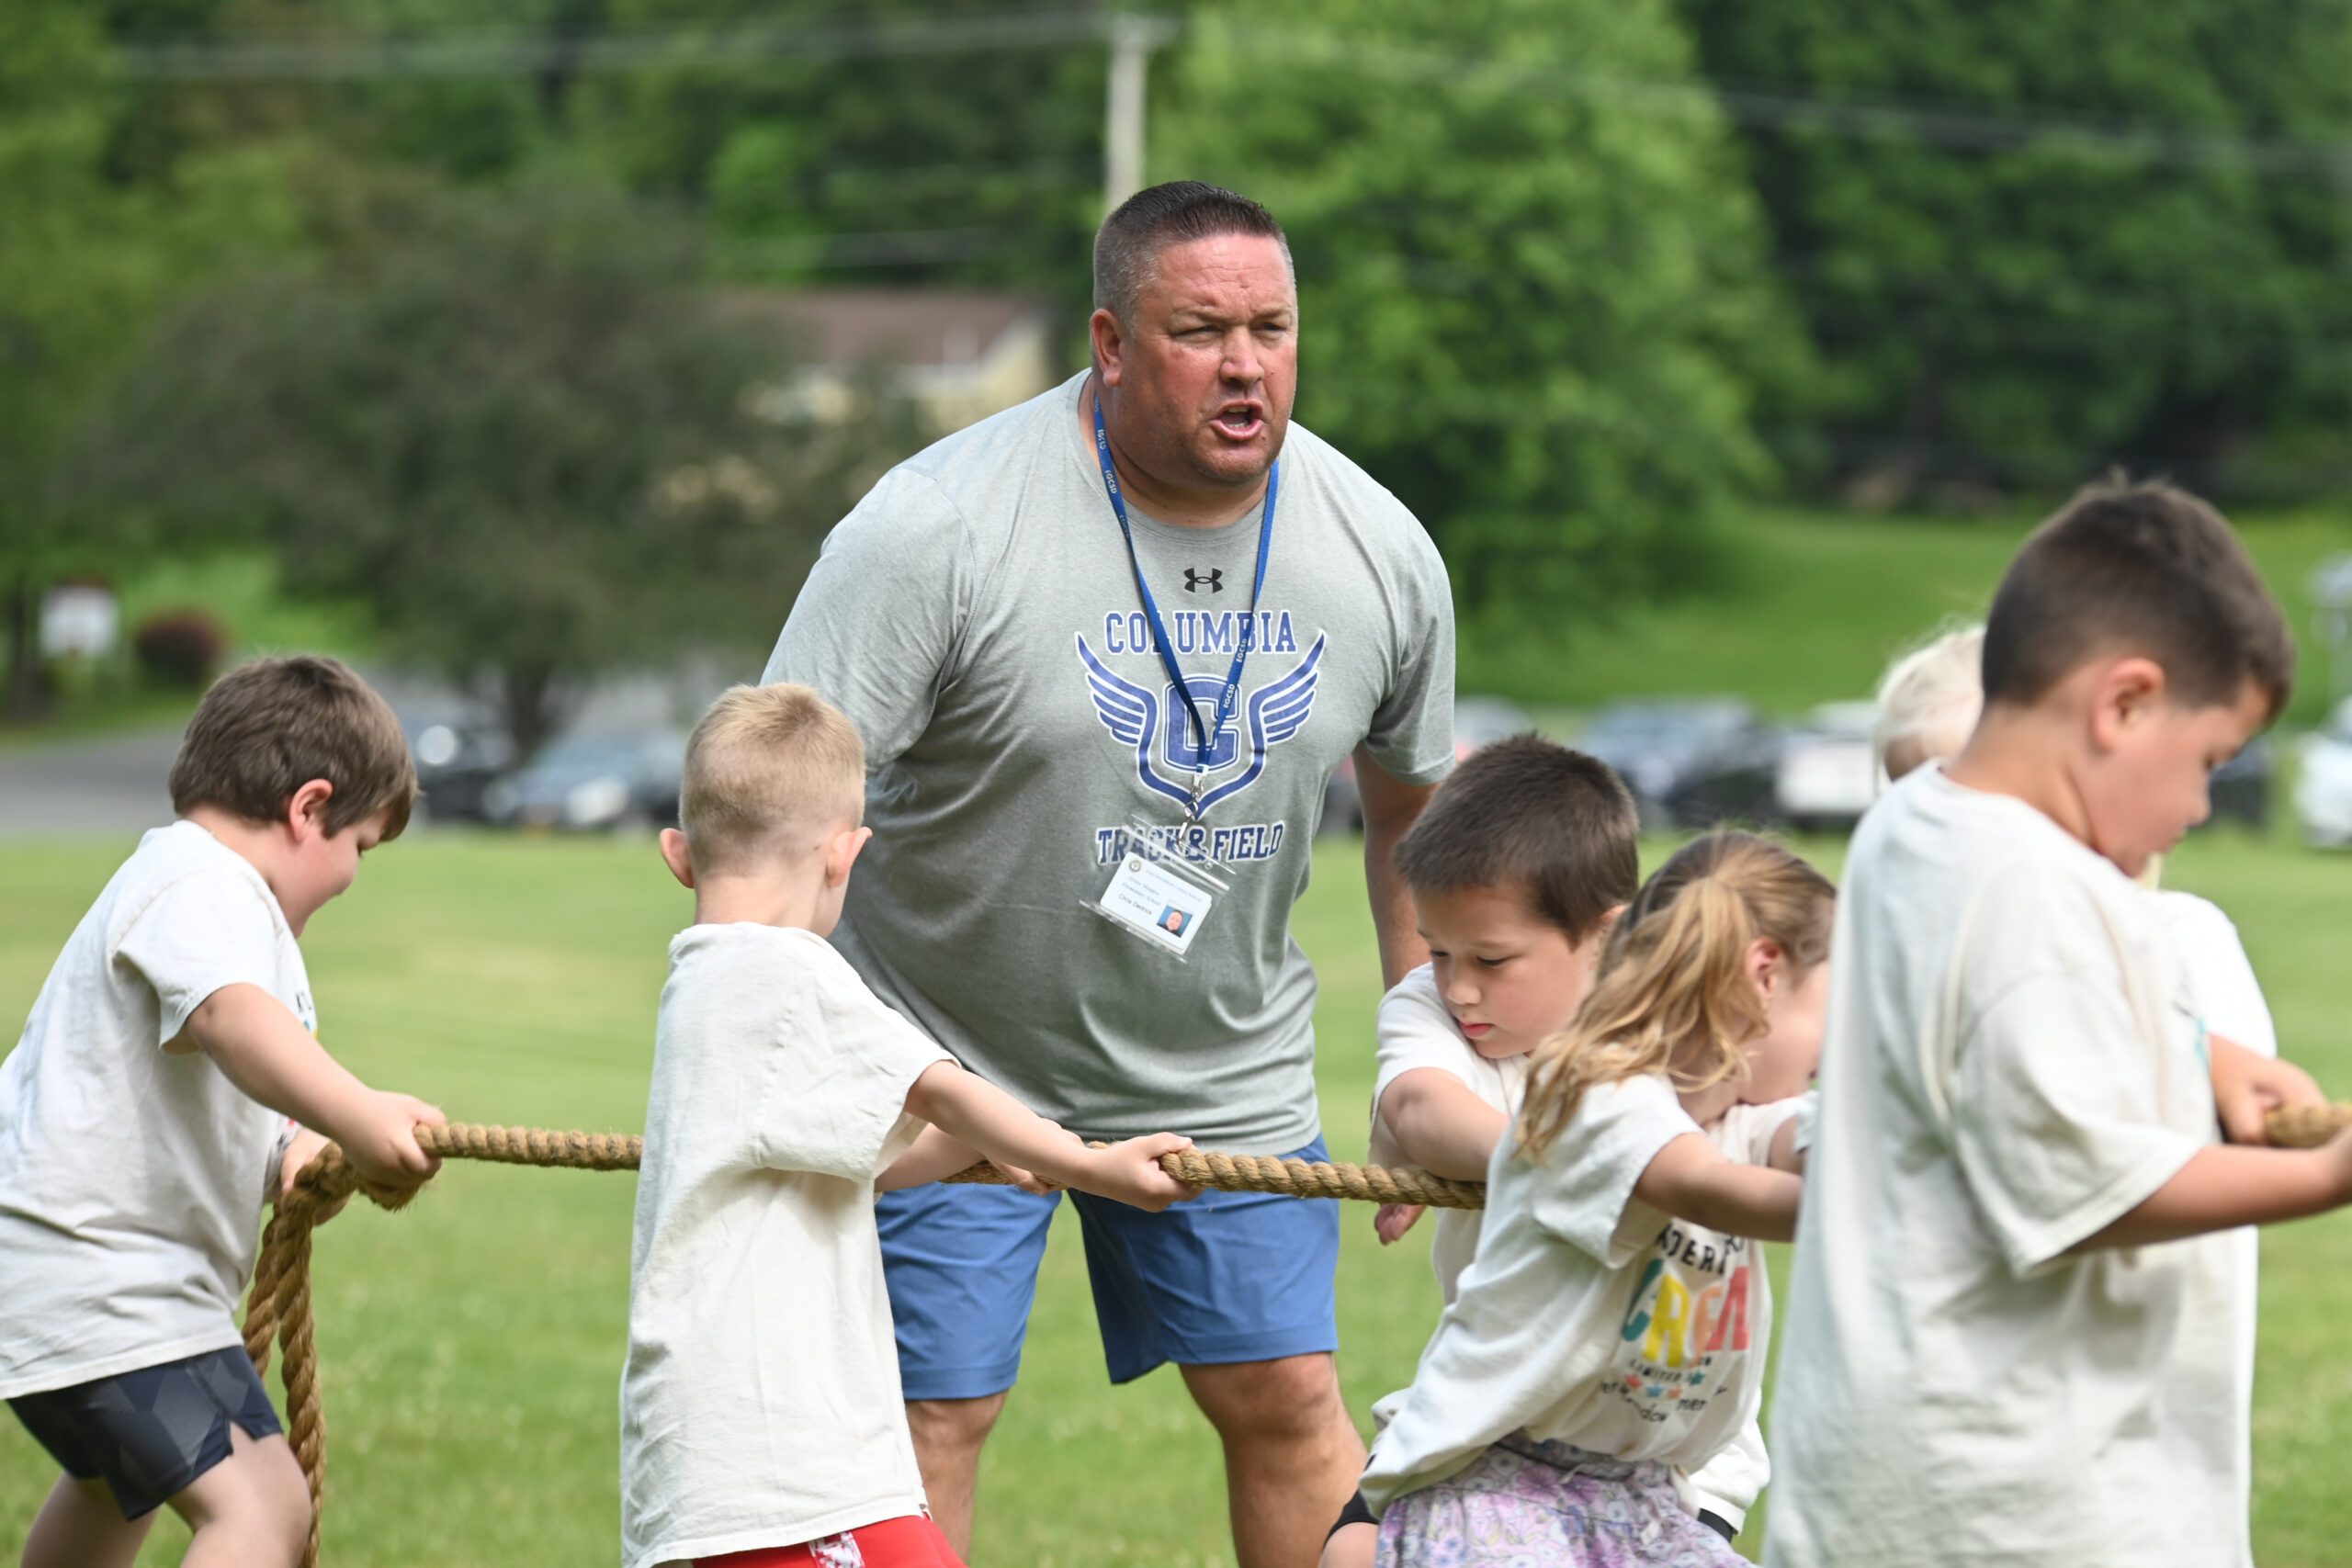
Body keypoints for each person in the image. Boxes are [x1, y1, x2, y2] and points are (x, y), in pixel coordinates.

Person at [765, 180, 1456, 1565]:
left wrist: (1425, 1058)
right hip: (945, 1058)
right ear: (1112, 341)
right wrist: (807, 1059)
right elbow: (777, 804)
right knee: (928, 1414)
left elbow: (1416, 826)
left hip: (1222, 1058)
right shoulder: (938, 528)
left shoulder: (1379, 549)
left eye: (1273, 326)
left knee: (1288, 1395)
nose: (1248, 362)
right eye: (1203, 329)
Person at [1766, 480, 2352, 1568]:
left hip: (1918, 1488)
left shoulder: (1918, 831)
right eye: (2206, 761)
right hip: (2020, 1508)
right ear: (2122, 705)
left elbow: (1968, 1052)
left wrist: (2203, 1056)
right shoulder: (2023, 889)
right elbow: (2084, 1191)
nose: (2201, 807)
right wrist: (2329, 1177)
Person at [619, 683, 1197, 1568]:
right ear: (845, 855)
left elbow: (863, 1158)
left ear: (678, 855)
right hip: (786, 1465)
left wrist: (982, 1150)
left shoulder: (700, 982)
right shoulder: (790, 973)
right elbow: (946, 1090)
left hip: (715, 1458)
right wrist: (1095, 1165)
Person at [1866, 614, 2298, 1568]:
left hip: (2140, 1448)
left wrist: (2227, 1073)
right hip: (1977, 1450)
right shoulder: (1901, 969)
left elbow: (2198, 1135)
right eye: (1920, 808)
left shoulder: (2186, 940)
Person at [0, 655, 446, 1568]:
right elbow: (228, 1020)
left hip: (89, 1279)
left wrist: (300, 1146)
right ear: (308, 807)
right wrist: (359, 1110)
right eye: (358, 847)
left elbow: (233, 1072)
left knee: (111, 1491)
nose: (351, 877)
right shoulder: (204, 881)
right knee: (263, 1509)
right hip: (103, 1282)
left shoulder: (198, 895)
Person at [1321, 743, 1777, 1568]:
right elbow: (1421, 1107)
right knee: (1350, 1554)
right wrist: (1583, 1169)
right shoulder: (1432, 1011)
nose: (1458, 986)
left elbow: (1781, 1101)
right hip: (1496, 1424)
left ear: (1604, 935)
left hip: (1670, 1456)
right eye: (1439, 950)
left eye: (1491, 960)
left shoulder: (1677, 1023)